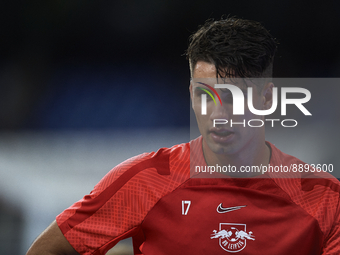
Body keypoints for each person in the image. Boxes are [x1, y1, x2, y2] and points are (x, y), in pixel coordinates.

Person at [26, 17, 340, 255]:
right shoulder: (143, 181)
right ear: (191, 94)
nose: (218, 114)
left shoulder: (326, 200)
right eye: (205, 96)